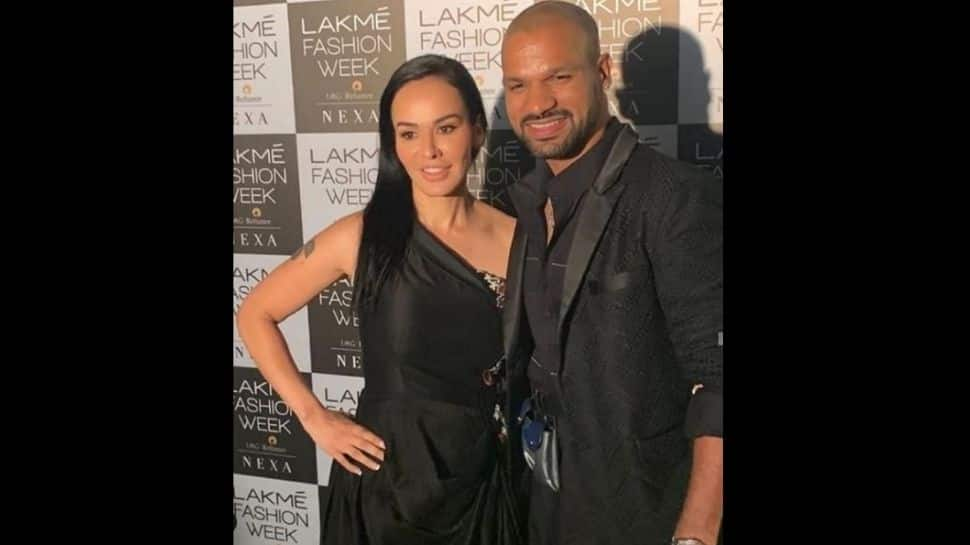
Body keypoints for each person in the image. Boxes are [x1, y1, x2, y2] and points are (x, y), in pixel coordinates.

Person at [236, 54, 527, 545]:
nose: (429, 151)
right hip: (386, 490)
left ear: (477, 131)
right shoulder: (362, 236)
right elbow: (254, 313)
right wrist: (315, 417)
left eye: (446, 128)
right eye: (409, 133)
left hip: (482, 486)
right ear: (393, 142)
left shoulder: (519, 236)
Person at [498, 2, 724, 544]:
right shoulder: (522, 206)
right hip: (546, 507)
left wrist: (696, 532)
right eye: (518, 85)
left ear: (601, 73)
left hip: (647, 515)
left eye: (558, 77)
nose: (538, 103)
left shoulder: (672, 196)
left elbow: (717, 380)